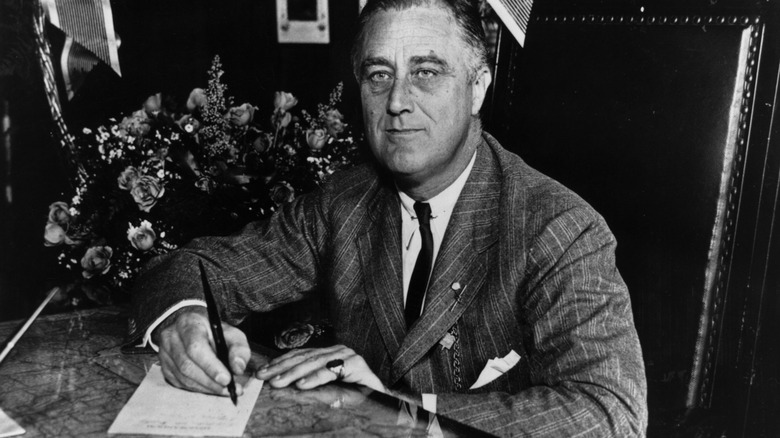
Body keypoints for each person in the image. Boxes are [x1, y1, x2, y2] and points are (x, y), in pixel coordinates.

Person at [129, 0, 648, 435]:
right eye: (379, 75)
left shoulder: (557, 227)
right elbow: (198, 268)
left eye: (426, 72)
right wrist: (185, 321)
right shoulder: (345, 201)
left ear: (478, 88)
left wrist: (398, 408)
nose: (397, 101)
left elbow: (610, 415)